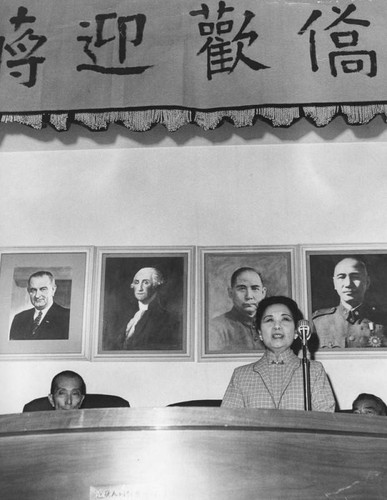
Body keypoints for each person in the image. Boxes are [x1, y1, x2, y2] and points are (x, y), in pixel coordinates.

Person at [222, 296, 335, 411]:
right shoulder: (241, 376)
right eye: (269, 320)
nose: (277, 326)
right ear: (260, 332)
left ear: (296, 331)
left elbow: (326, 421)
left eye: (285, 319)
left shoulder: (314, 371)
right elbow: (227, 421)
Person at [312, 257, 387, 349]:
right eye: (341, 277)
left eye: (355, 277)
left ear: (367, 282)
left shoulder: (383, 320)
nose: (348, 284)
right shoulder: (317, 322)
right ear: (335, 283)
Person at [113, 267, 181, 350]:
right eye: (136, 282)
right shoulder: (127, 315)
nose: (140, 288)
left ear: (155, 285)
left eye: (146, 282)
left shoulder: (167, 319)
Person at [209, 267, 267, 352]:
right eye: (242, 289)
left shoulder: (272, 326)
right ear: (231, 293)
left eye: (255, 288)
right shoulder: (215, 328)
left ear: (263, 293)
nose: (249, 296)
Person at [9, 270, 70, 340]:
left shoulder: (67, 317)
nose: (37, 296)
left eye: (43, 289)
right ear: (29, 291)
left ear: (53, 290)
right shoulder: (19, 318)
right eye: (33, 290)